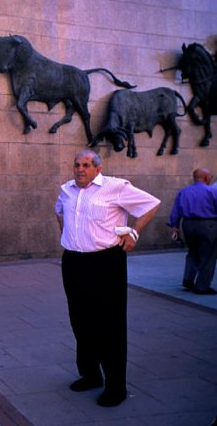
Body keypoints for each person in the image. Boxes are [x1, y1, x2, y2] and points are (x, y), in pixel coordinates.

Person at [55, 150, 160, 407]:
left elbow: (151, 204)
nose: (80, 169)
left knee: (109, 325)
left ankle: (116, 387)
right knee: (80, 320)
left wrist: (133, 233)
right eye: (77, 164)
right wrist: (71, 237)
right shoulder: (67, 190)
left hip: (105, 263)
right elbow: (59, 212)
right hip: (73, 262)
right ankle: (90, 375)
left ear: (97, 169)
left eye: (86, 165)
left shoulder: (115, 187)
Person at [168, 167, 217, 295]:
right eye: (211, 176)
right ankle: (202, 286)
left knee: (192, 252)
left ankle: (188, 279)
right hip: (208, 225)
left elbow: (176, 210)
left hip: (188, 224)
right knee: (208, 255)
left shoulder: (184, 191)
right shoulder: (211, 191)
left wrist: (175, 225)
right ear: (206, 177)